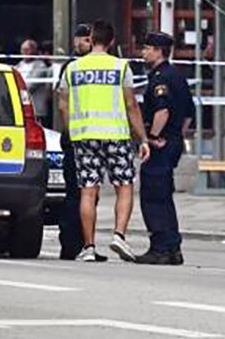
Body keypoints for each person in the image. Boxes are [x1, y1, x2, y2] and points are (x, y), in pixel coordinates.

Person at [58, 20, 150, 263]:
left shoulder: (73, 68)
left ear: (92, 39)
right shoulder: (120, 67)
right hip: (115, 135)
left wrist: (71, 130)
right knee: (125, 186)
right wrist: (142, 138)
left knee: (88, 191)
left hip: (84, 136)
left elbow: (63, 104)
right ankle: (119, 235)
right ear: (111, 42)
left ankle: (88, 246)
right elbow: (131, 105)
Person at [135, 32, 195, 265]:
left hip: (160, 144)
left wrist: (153, 137)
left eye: (147, 48)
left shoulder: (160, 78)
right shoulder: (177, 76)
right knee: (165, 195)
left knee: (153, 196)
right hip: (173, 142)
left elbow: (162, 111)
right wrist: (176, 136)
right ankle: (172, 248)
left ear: (159, 51)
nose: (143, 52)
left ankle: (160, 247)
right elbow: (189, 113)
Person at [55, 24, 94, 260]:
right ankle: (70, 244)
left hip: (90, 138)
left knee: (88, 195)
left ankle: (85, 244)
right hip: (76, 138)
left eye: (89, 39)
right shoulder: (71, 67)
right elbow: (63, 103)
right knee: (75, 195)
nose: (85, 43)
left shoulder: (91, 67)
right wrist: (71, 132)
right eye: (82, 39)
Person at [15, 38, 52, 126]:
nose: (24, 52)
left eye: (27, 50)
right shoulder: (18, 66)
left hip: (36, 110)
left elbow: (29, 86)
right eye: (22, 50)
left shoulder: (40, 66)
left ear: (33, 50)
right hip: (21, 109)